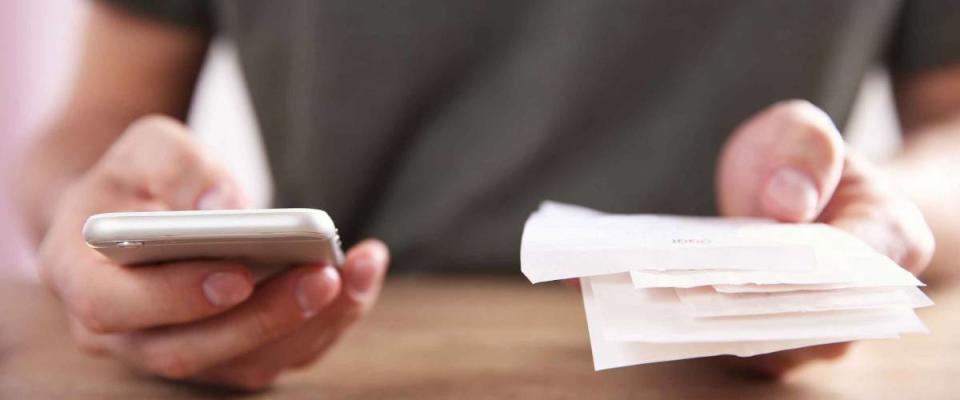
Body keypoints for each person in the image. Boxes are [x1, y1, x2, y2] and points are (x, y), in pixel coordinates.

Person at [13, 0, 960, 390]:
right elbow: (99, 119)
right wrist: (87, 215)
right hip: (328, 360)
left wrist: (868, 214)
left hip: (734, 377)